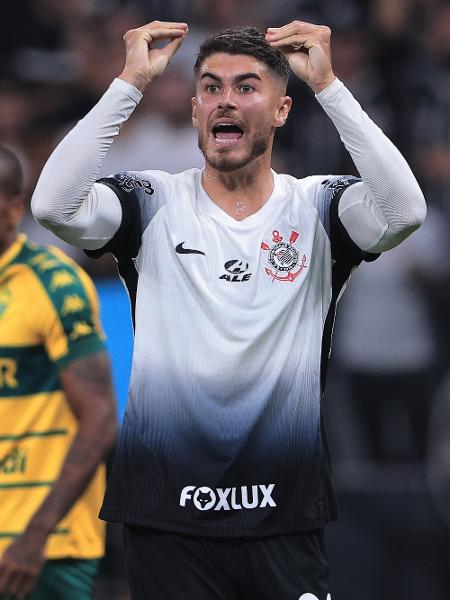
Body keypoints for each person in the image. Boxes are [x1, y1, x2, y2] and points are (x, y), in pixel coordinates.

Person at [31, 19, 426, 600]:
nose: (225, 100)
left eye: (246, 87)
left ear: (282, 110)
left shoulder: (317, 206)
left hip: (284, 513)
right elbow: (53, 205)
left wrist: (331, 88)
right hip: (168, 515)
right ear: (195, 112)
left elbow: (404, 211)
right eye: (211, 88)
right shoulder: (154, 201)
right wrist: (130, 82)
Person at [0, 145, 118, 600]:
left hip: (44, 546)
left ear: (13, 209)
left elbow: (100, 418)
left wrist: (35, 536)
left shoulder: (54, 283)